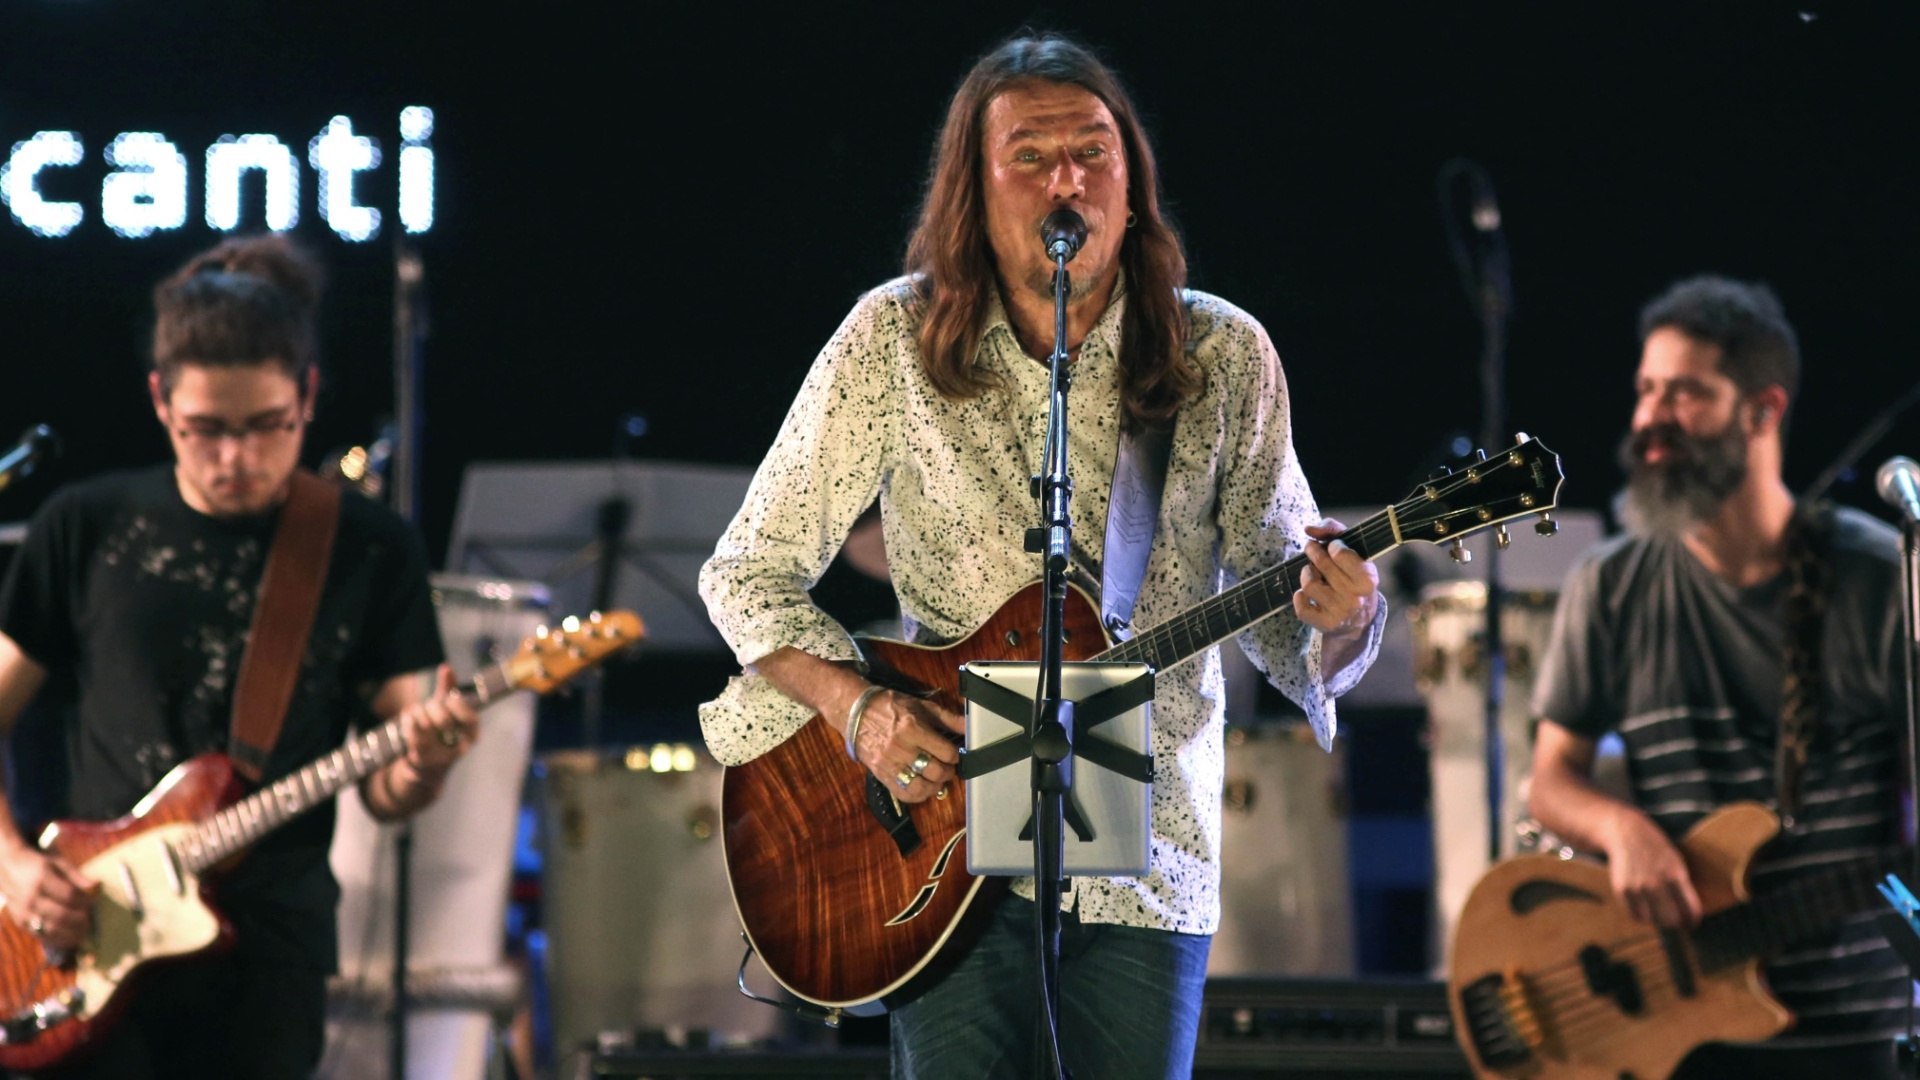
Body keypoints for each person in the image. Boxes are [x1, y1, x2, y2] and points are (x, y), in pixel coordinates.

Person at [697, 34, 1383, 1080]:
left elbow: (1291, 603)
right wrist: (863, 714)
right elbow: (745, 572)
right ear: (974, 187)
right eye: (1030, 155)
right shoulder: (893, 339)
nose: (1067, 178)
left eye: (1093, 152)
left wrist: (1345, 620)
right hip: (943, 840)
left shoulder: (1223, 356)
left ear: (1132, 179)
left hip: (1148, 850)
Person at [0, 234, 480, 1080]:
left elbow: (391, 786)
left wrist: (429, 767)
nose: (237, 459)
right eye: (206, 430)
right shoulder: (85, 524)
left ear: (308, 394)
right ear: (160, 401)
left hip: (269, 952)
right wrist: (10, 864)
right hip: (82, 934)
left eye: (267, 427)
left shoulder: (367, 546)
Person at [1528, 276, 1908, 1079]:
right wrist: (1622, 830)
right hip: (1682, 1036)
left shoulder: (1881, 578)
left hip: (1855, 1035)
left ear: (1764, 411)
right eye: (1645, 391)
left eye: (1685, 394)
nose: (1649, 421)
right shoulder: (1611, 585)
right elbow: (1550, 783)